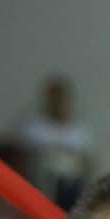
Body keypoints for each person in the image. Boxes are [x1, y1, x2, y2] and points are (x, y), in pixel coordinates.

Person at [21, 75, 94, 209]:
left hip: (72, 180)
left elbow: (87, 160)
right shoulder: (36, 128)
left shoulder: (79, 130)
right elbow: (27, 159)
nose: (58, 103)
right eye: (54, 99)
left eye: (61, 99)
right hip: (44, 180)